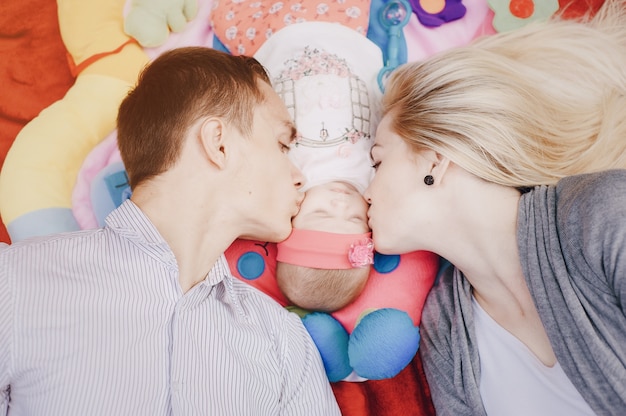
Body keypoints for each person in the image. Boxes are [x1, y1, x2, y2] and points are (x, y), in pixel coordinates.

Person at [0, 46, 341, 415]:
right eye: (282, 144)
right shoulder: (14, 282)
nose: (300, 177)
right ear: (219, 143)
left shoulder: (284, 341)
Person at [364, 1, 626, 415]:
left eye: (378, 161)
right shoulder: (444, 327)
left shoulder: (604, 213)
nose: (366, 190)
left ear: (435, 158)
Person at [254, 22, 384, 313]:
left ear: (292, 218)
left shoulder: (289, 177)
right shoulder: (375, 179)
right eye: (353, 219)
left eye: (322, 213)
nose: (340, 203)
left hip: (280, 41)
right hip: (351, 40)